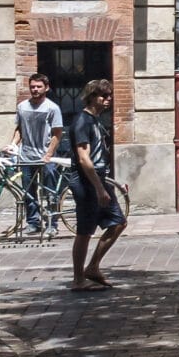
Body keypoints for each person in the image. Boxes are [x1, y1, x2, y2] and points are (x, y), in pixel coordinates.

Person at [67, 77, 127, 291]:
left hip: (98, 178)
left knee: (118, 222)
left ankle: (92, 267)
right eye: (104, 96)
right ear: (92, 97)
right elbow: (84, 159)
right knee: (85, 231)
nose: (108, 100)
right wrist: (99, 188)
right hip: (86, 181)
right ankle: (77, 279)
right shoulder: (82, 121)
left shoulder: (95, 120)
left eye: (109, 96)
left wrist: (105, 183)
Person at [15, 73, 68, 230]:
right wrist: (12, 145)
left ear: (46, 87)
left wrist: (49, 154)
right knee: (28, 192)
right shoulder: (22, 107)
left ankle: (52, 223)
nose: (35, 89)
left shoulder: (52, 108)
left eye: (38, 86)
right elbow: (19, 129)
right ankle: (33, 222)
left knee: (50, 192)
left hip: (46, 157)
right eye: (32, 87)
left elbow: (57, 133)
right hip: (26, 156)